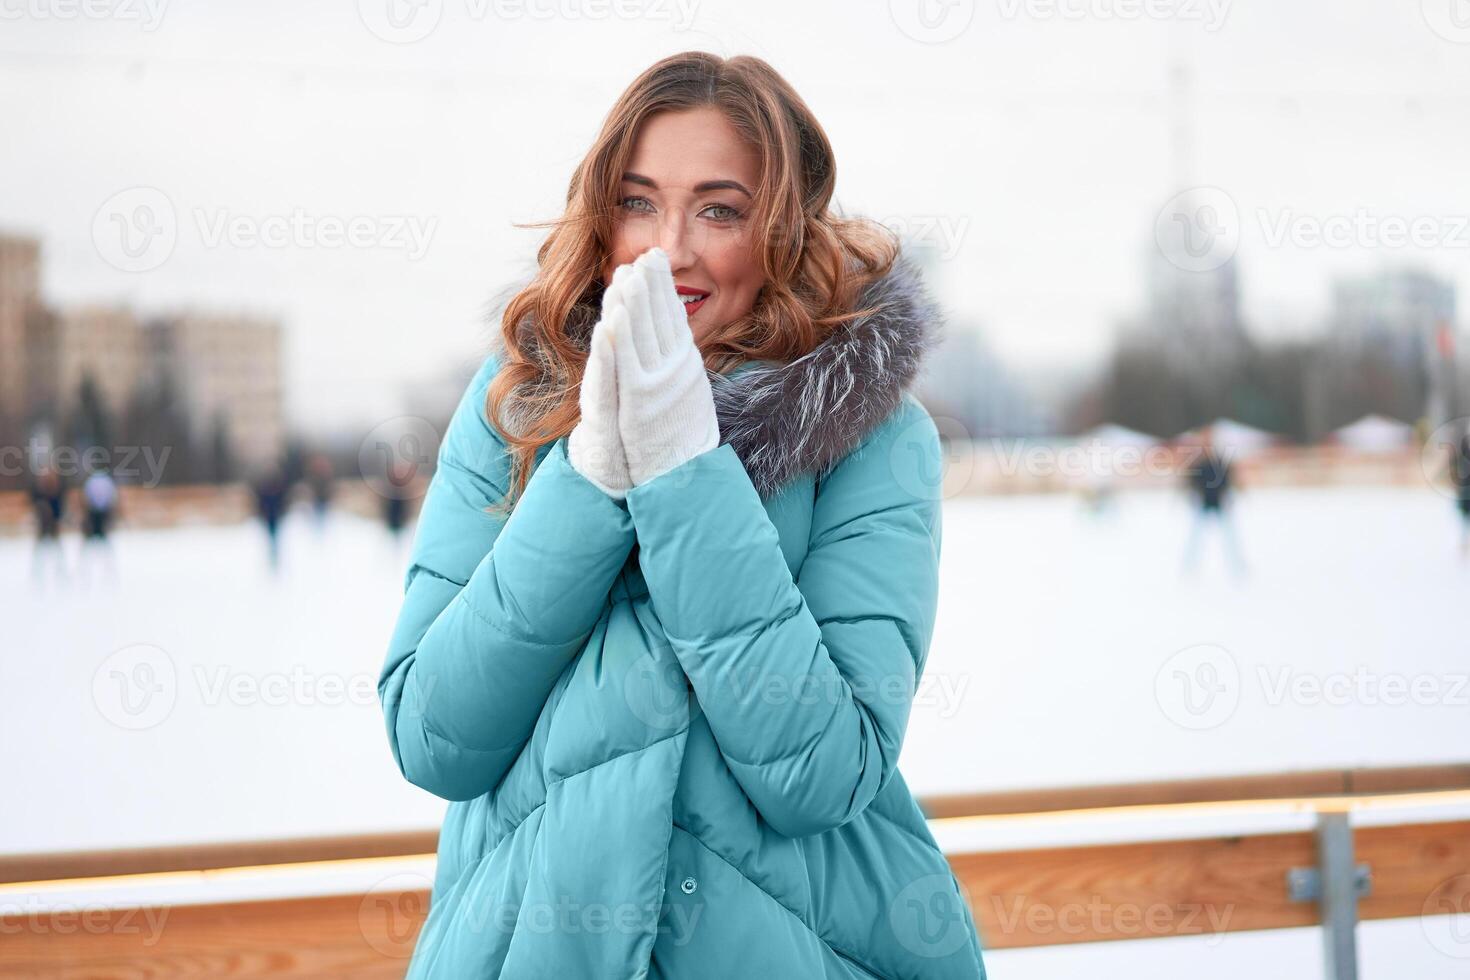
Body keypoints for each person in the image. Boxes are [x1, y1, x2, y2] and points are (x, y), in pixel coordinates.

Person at [377, 52, 986, 979]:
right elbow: (435, 735)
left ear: (781, 228)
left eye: (719, 208)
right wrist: (590, 480)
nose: (670, 247)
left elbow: (822, 772)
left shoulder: (870, 436)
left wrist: (685, 474)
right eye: (636, 201)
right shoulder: (514, 406)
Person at [1180, 424, 1248, 580]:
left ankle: (1237, 563)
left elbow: (1230, 480)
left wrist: (1235, 494)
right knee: (1196, 537)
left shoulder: (1221, 462)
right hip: (1204, 503)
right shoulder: (1198, 464)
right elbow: (1190, 483)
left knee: (1229, 537)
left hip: (1219, 503)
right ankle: (1190, 564)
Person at [79, 462, 120, 589]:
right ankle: (108, 570)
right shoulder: (107, 481)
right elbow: (112, 499)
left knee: (90, 546)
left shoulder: (90, 482)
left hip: (93, 515)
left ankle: (85, 571)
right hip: (102, 515)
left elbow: (85, 499)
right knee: (104, 545)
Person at [29, 464, 68, 589]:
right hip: (44, 524)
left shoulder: (55, 492)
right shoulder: (42, 492)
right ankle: (38, 571)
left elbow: (59, 507)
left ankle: (59, 570)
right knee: (41, 548)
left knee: (56, 547)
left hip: (52, 524)